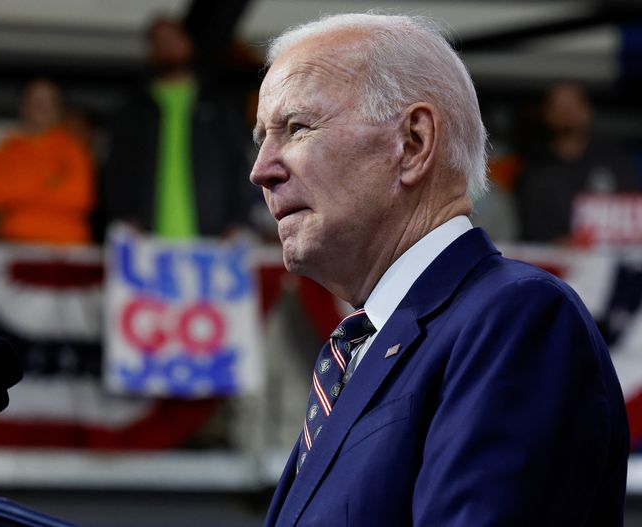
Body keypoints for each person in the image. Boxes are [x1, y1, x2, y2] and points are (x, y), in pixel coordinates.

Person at [250, 13, 628, 526]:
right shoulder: (357, 354)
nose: (262, 170)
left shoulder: (517, 319)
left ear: (413, 143)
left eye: (296, 128)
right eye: (260, 139)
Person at [95, 17, 255, 241]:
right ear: (150, 51)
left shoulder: (220, 107)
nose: (166, 46)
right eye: (158, 41)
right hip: (147, 239)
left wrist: (239, 219)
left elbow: (241, 163)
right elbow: (115, 169)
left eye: (172, 38)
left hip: (213, 239)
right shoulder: (131, 111)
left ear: (189, 43)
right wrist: (124, 215)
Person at [515, 81, 638, 243]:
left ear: (587, 110)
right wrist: (559, 244)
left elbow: (633, 216)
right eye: (559, 106)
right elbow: (530, 232)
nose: (566, 112)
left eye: (572, 105)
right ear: (546, 114)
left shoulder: (616, 162)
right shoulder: (534, 172)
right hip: (556, 264)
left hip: (613, 261)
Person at [0, 79, 94, 245]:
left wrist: (20, 192)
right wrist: (49, 183)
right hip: (13, 244)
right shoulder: (2, 152)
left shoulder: (75, 152)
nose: (42, 108)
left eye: (49, 102)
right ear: (23, 106)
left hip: (66, 248)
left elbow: (80, 198)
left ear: (59, 109)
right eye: (36, 101)